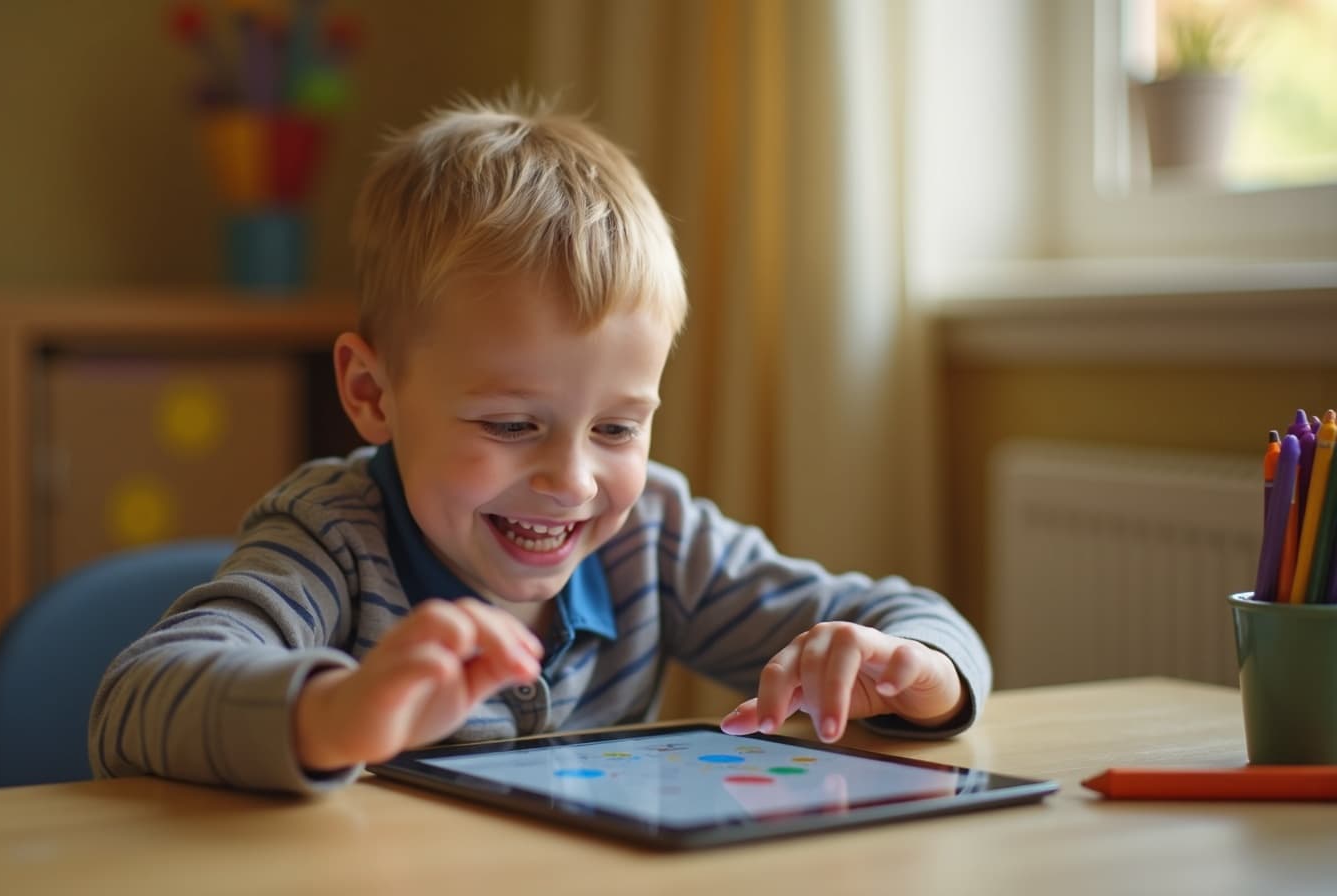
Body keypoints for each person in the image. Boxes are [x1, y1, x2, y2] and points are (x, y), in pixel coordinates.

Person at [88, 94, 990, 795]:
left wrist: (920, 675)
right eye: (511, 425)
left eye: (617, 428)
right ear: (372, 394)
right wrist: (333, 712)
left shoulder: (656, 539)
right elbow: (136, 700)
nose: (571, 481)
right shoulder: (331, 537)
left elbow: (902, 615)